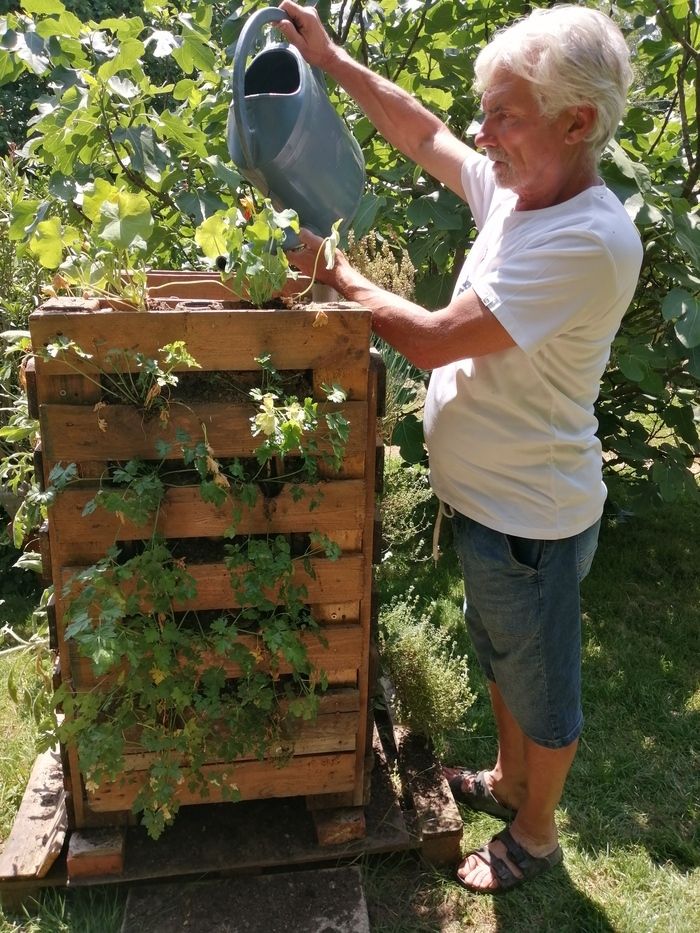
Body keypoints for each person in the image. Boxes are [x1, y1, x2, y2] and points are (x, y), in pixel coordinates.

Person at [277, 1, 642, 894]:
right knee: (501, 656)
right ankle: (510, 780)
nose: (485, 132)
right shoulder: (521, 193)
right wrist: (331, 60)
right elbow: (424, 132)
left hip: (533, 519)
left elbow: (437, 337)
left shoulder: (586, 239)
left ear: (577, 121)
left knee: (545, 690)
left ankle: (537, 829)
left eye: (505, 115)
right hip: (491, 504)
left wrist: (336, 274)